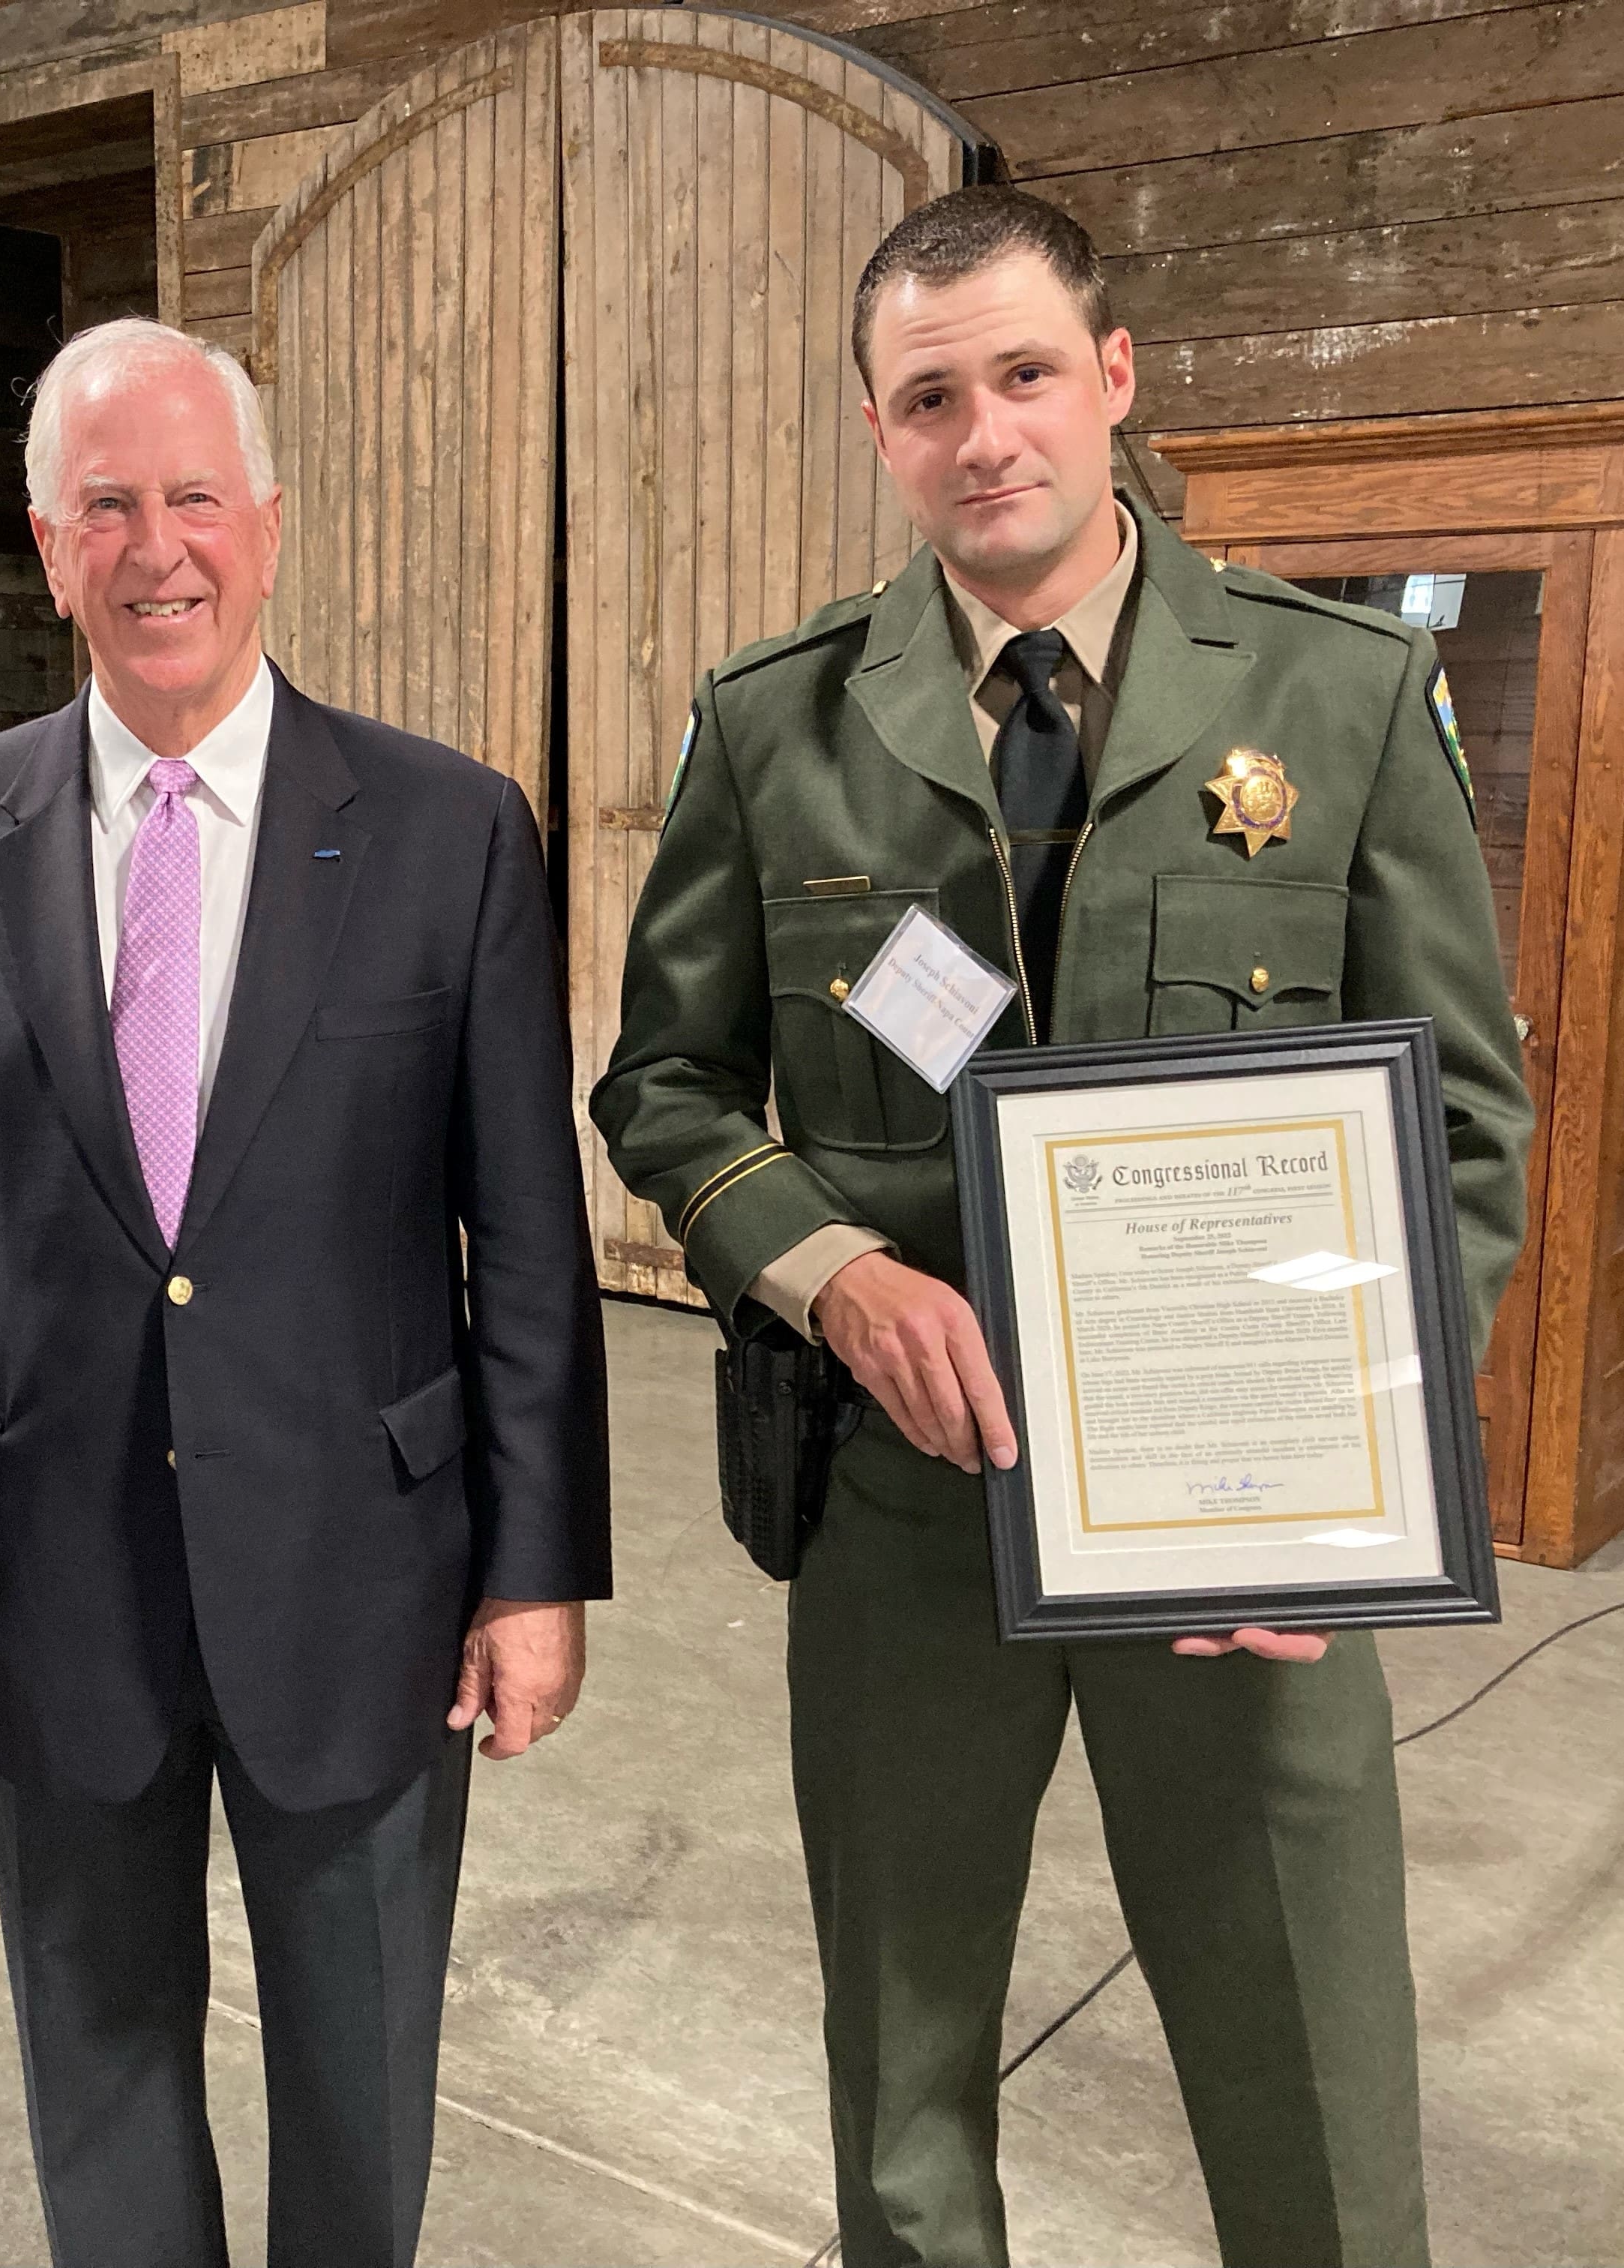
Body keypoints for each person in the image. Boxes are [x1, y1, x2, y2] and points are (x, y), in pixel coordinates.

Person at [592, 188, 1533, 2266]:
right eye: (932, 396)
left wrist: (1356, 1485)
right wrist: (832, 1276)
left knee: (1312, 2076)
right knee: (906, 2075)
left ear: (1111, 383)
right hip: (911, 1509)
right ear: (879, 428)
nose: (985, 432)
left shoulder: (1345, 697)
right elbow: (660, 1085)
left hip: (1243, 1519)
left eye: (1025, 375)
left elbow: (1464, 1121)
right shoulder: (781, 728)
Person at [0, 316, 613, 2268]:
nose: (155, 547)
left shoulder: (448, 833)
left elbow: (525, 1237)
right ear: (44, 540)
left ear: (268, 522)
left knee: (360, 2091)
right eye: (108, 505)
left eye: (193, 498)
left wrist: (538, 1572)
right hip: (47, 1582)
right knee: (100, 2086)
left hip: (368, 1582)